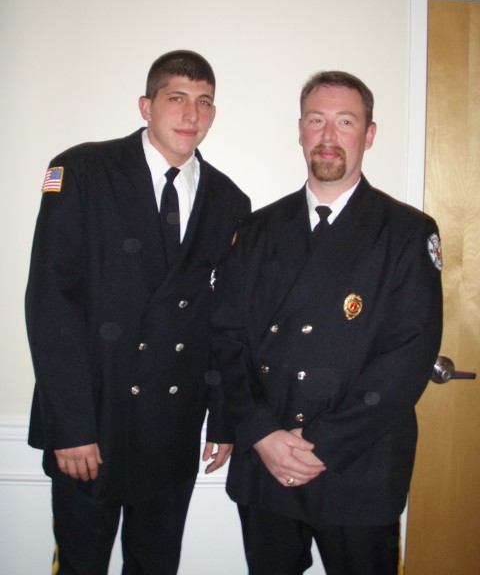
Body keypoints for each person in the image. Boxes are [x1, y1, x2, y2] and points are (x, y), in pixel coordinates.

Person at [25, 50, 251, 574]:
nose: (191, 114)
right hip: (93, 423)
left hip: (170, 428)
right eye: (176, 98)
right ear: (146, 106)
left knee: (155, 566)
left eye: (204, 102)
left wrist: (224, 416)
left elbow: (224, 320)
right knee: (81, 565)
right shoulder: (80, 171)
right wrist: (72, 425)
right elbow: (50, 302)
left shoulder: (228, 201)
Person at [212, 70, 443, 575]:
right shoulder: (257, 230)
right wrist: (262, 433)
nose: (329, 136)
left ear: (369, 134)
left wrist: (322, 448)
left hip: (358, 463)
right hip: (266, 460)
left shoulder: (406, 233)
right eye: (317, 121)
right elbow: (227, 338)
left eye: (345, 121)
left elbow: (409, 355)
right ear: (300, 131)